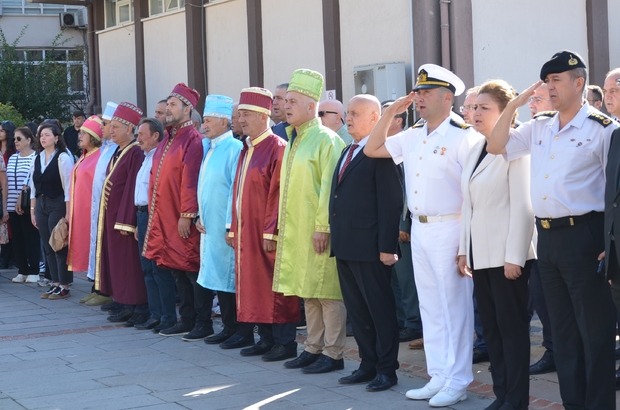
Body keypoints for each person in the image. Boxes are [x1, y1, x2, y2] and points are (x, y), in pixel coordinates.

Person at [488, 50, 617, 409]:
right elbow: (496, 145)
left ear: (579, 83)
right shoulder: (540, 125)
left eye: (557, 80)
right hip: (548, 239)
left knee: (595, 333)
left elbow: (616, 192)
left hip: (586, 237)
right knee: (562, 334)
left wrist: (612, 242)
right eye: (546, 81)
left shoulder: (603, 130)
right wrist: (513, 105)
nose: (549, 87)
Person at [364, 64, 481, 407]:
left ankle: (458, 380)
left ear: (448, 97)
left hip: (452, 226)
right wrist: (388, 114)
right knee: (431, 307)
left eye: (426, 93)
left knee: (454, 308)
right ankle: (439, 375)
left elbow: (473, 195)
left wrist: (465, 244)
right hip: (421, 229)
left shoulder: (464, 136)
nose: (418, 99)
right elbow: (373, 149)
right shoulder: (414, 134)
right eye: (417, 93)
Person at [458, 79, 536, 410]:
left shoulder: (515, 147)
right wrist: (464, 248)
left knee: (512, 334)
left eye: (484, 108)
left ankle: (516, 401)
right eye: (474, 107)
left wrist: (515, 256)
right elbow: (469, 204)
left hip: (507, 257)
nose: (475, 113)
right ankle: (502, 395)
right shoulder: (476, 148)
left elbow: (523, 205)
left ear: (506, 112)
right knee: (491, 332)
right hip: (481, 255)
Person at [272, 69, 347, 375]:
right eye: (285, 101)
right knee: (308, 291)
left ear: (310, 105)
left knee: (328, 293)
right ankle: (313, 347)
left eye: (292, 100)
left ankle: (334, 352)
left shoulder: (326, 140)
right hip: (297, 229)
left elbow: (330, 189)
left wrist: (323, 227)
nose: (285, 106)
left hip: (319, 231)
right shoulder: (294, 138)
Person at [330, 94, 402, 392]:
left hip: (371, 247)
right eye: (347, 112)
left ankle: (387, 369)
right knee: (357, 311)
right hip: (346, 245)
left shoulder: (382, 152)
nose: (348, 118)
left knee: (379, 310)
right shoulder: (348, 149)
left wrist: (388, 246)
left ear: (375, 118)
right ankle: (367, 363)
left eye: (356, 113)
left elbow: (391, 201)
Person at [227, 87, 300, 361]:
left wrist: (272, 230)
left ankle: (285, 342)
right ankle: (265, 338)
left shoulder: (277, 147)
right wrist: (233, 228)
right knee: (254, 284)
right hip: (247, 231)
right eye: (240, 114)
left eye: (246, 114)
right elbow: (237, 192)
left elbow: (278, 194)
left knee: (274, 284)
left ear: (262, 116)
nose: (241, 119)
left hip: (267, 232)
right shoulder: (247, 148)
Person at [143, 83, 211, 338]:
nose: (168, 109)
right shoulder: (168, 140)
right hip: (164, 217)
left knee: (191, 268)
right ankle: (187, 319)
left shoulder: (193, 140)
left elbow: (190, 181)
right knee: (176, 269)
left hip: (181, 219)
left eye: (173, 105)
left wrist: (187, 215)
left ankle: (202, 322)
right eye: (167, 105)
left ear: (187, 109)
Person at [195, 94, 251, 346]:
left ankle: (240, 330)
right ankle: (228, 327)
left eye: (207, 121)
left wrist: (231, 226)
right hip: (209, 225)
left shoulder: (235, 148)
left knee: (230, 278)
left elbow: (235, 191)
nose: (203, 125)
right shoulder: (211, 148)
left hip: (226, 228)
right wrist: (198, 214)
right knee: (218, 276)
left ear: (222, 121)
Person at [94, 102, 149, 326]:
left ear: (129, 129)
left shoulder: (134, 152)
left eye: (116, 126)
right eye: (111, 126)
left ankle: (137, 306)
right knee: (118, 262)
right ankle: (125, 301)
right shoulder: (120, 151)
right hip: (112, 216)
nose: (111, 131)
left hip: (123, 220)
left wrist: (126, 221)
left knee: (129, 265)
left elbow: (131, 189)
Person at [381, 102, 424, 347]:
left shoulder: (408, 144)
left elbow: (407, 190)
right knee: (395, 279)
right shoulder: (391, 146)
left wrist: (403, 224)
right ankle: (401, 320)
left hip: (404, 225)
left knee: (407, 278)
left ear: (398, 120)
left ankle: (413, 323)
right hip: (390, 225)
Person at [132, 118, 178, 331]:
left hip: (155, 214)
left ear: (155, 136)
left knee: (160, 268)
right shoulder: (146, 157)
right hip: (142, 215)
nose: (138, 138)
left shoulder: (159, 158)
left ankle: (168, 317)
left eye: (142, 134)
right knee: (147, 267)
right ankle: (155, 314)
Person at [525, 83, 557, 376]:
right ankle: (552, 349)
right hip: (536, 234)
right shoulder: (531, 132)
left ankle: (562, 351)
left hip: (566, 232)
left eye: (537, 99)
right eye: (531, 99)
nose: (531, 104)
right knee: (540, 298)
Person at [30, 123, 73, 300]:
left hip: (57, 203)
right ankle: (55, 283)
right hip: (41, 204)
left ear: (56, 138)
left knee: (58, 244)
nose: (43, 137)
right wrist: (33, 210)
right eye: (41, 135)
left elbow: (69, 188)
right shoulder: (38, 157)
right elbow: (33, 187)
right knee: (47, 245)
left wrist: (68, 213)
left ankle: (64, 285)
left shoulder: (63, 158)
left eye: (47, 134)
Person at [83, 102, 118, 307]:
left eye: (105, 123)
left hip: (107, 209)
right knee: (97, 248)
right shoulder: (105, 149)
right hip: (98, 207)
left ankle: (106, 290)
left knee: (106, 251)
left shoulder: (115, 150)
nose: (102, 128)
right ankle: (98, 287)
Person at [67, 116, 102, 276]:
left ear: (93, 137)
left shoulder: (99, 156)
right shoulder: (85, 155)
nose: (79, 136)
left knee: (94, 245)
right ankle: (94, 284)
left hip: (91, 209)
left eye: (84, 133)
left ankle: (99, 287)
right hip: (81, 209)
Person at [8, 127, 40, 283]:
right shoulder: (13, 158)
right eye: (14, 139)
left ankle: (34, 270)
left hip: (28, 204)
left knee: (30, 237)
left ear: (29, 140)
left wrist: (23, 195)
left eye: (19, 138)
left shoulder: (36, 157)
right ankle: (22, 270)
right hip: (11, 204)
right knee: (18, 238)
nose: (15, 142)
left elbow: (33, 179)